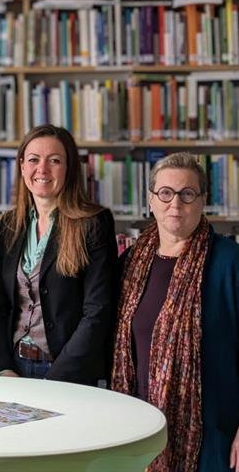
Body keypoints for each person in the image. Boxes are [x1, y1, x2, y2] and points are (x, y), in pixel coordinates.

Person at [111, 152, 239, 472]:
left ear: (202, 201)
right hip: (140, 432)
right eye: (165, 193)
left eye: (187, 194)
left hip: (211, 437)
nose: (175, 204)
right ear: (151, 200)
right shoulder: (131, 262)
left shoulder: (229, 261)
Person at [0, 124, 117, 384]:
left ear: (69, 169)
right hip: (14, 368)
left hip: (67, 372)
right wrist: (1, 366)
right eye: (33, 160)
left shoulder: (94, 223)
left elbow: (98, 311)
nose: (42, 170)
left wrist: (59, 377)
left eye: (54, 161)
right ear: (22, 167)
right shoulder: (11, 223)